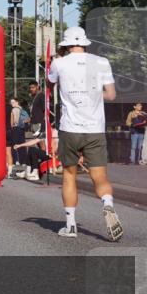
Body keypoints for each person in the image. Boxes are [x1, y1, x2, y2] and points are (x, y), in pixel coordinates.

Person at [46, 26, 122, 241]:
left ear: (66, 44)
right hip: (95, 128)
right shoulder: (101, 62)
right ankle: (107, 204)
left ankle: (70, 225)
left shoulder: (59, 63)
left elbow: (49, 84)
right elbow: (111, 95)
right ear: (85, 42)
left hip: (70, 128)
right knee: (100, 176)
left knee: (69, 176)